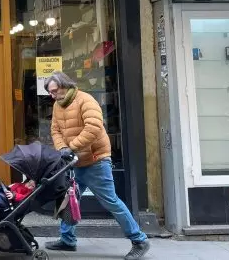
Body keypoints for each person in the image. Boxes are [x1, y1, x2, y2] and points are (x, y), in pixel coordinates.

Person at [44, 72, 150, 260]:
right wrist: (63, 149)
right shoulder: (57, 105)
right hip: (74, 161)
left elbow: (93, 127)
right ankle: (67, 240)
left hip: (95, 160)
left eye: (54, 91)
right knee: (69, 200)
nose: (52, 96)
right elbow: (55, 130)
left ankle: (139, 240)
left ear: (64, 85)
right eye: (50, 93)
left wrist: (72, 147)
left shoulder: (85, 100)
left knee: (110, 201)